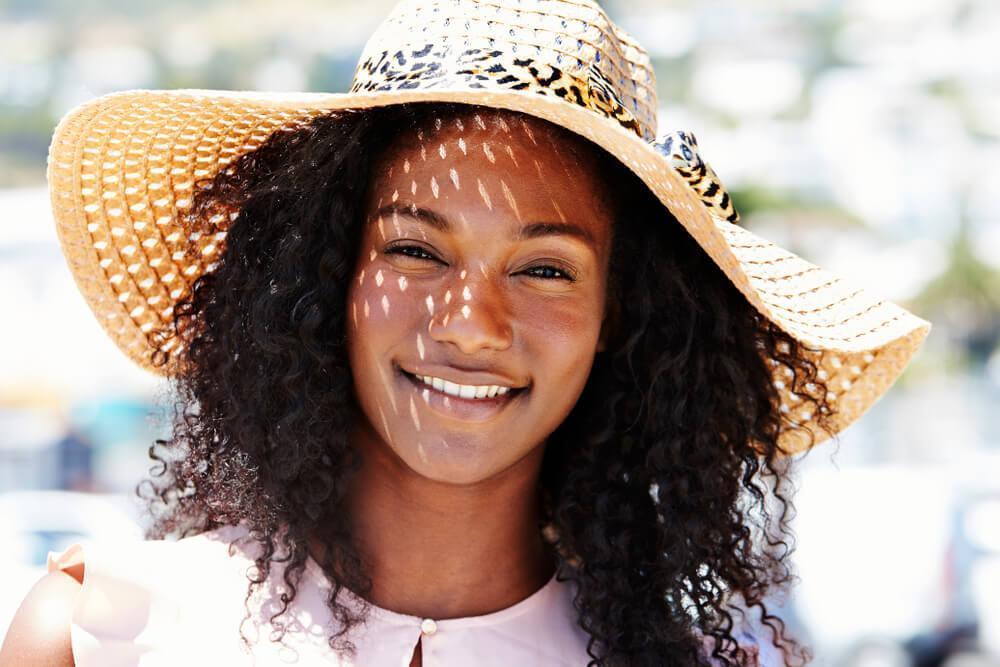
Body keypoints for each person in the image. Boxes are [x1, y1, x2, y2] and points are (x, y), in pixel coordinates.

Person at [0, 1, 931, 665]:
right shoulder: (98, 634)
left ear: (623, 320)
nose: (471, 325)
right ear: (325, 276)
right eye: (416, 251)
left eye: (544, 268)